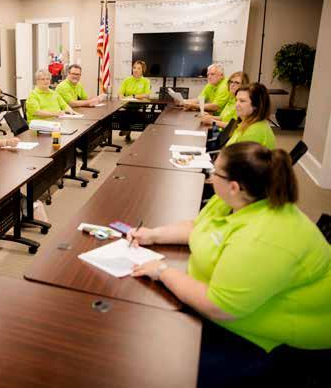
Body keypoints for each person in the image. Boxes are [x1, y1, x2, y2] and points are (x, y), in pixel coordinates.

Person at [130, 142, 331, 387]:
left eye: (215, 172)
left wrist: (162, 271)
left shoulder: (265, 236)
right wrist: (153, 235)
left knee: (162, 371)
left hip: (269, 340)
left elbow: (219, 306)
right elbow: (198, 228)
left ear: (234, 186)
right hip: (238, 310)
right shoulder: (236, 200)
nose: (210, 177)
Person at [224, 83, 275, 149]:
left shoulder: (254, 131)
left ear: (256, 105)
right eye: (236, 100)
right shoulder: (246, 122)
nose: (236, 104)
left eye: (242, 101)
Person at [117, 60, 152, 141]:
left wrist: (134, 96)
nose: (136, 70)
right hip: (127, 104)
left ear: (143, 70)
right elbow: (120, 92)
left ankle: (126, 129)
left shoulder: (146, 81)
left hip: (140, 105)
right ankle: (127, 130)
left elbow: (146, 94)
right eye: (134, 68)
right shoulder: (127, 80)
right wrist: (121, 96)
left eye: (139, 68)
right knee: (126, 111)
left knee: (131, 111)